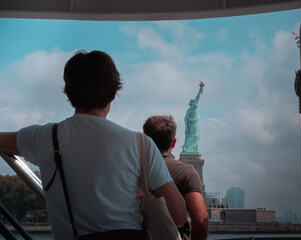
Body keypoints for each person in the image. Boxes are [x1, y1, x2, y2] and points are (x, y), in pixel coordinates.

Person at [0, 50, 187, 240]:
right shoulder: (140, 144)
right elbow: (180, 217)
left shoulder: (46, 137)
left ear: (68, 90)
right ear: (114, 91)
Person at [143, 115, 209, 240]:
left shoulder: (130, 168)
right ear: (174, 142)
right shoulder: (187, 172)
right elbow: (200, 220)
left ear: (145, 140)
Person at [182, 81, 204, 154]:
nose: (195, 102)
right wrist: (200, 89)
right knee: (193, 137)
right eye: (194, 102)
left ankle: (189, 148)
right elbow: (197, 98)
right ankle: (188, 148)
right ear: (192, 104)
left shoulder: (189, 110)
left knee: (191, 138)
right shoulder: (192, 108)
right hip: (194, 127)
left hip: (192, 126)